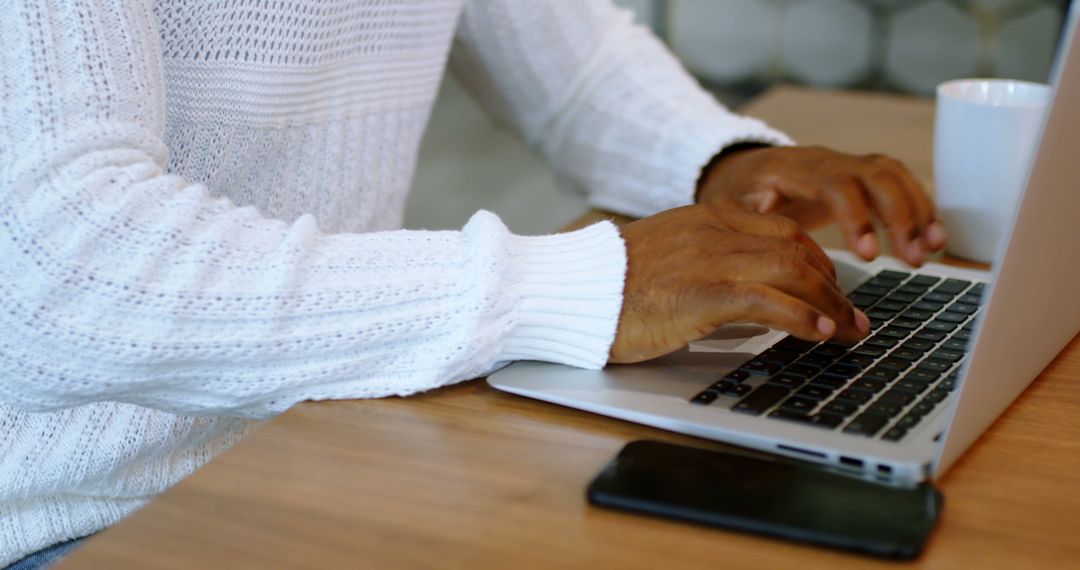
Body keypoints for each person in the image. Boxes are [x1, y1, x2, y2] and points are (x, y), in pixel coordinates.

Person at [0, 0, 946, 566]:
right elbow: (64, 269)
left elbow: (571, 67)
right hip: (82, 513)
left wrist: (718, 161)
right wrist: (578, 286)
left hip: (336, 423)